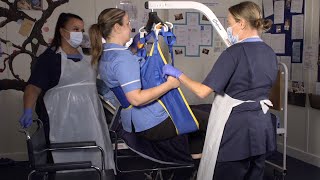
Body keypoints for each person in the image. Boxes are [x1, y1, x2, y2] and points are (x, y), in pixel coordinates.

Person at [163, 1, 278, 180]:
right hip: (261, 127)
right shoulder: (270, 52)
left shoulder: (234, 53)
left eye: (230, 23)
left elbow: (202, 91)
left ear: (241, 24)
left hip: (236, 132)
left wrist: (178, 74)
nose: (228, 28)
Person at [88, 8, 209, 142]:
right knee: (206, 120)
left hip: (133, 121)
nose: (130, 27)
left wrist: (134, 46)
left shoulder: (106, 54)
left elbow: (121, 66)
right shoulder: (123, 59)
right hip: (150, 123)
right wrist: (169, 85)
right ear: (117, 27)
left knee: (195, 114)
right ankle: (201, 157)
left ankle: (193, 156)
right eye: (128, 24)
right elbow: (136, 99)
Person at [19, 12, 115, 172]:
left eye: (81, 29)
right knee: (65, 161)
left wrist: (135, 47)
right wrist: (28, 109)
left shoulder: (87, 55)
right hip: (61, 122)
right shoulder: (50, 58)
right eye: (75, 29)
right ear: (62, 32)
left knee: (95, 158)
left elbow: (111, 61)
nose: (80, 33)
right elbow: (33, 87)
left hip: (91, 121)